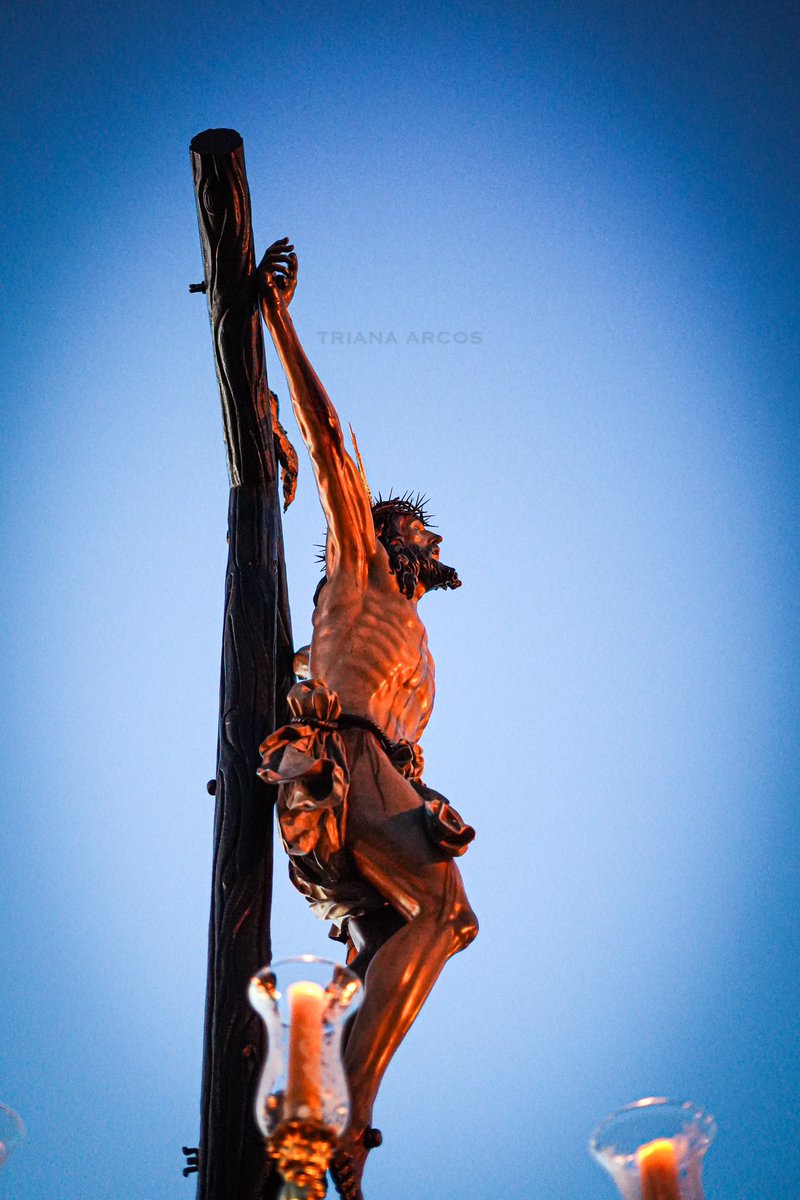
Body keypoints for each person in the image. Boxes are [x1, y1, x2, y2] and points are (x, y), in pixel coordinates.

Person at [257, 239, 478, 1200]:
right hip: (344, 763)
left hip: (379, 786)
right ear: (396, 536)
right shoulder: (357, 571)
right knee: (448, 911)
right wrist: (278, 321)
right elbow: (333, 436)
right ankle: (331, 1109)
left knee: (432, 929)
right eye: (418, 534)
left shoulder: (420, 659)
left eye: (428, 543)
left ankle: (333, 1121)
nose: (427, 546)